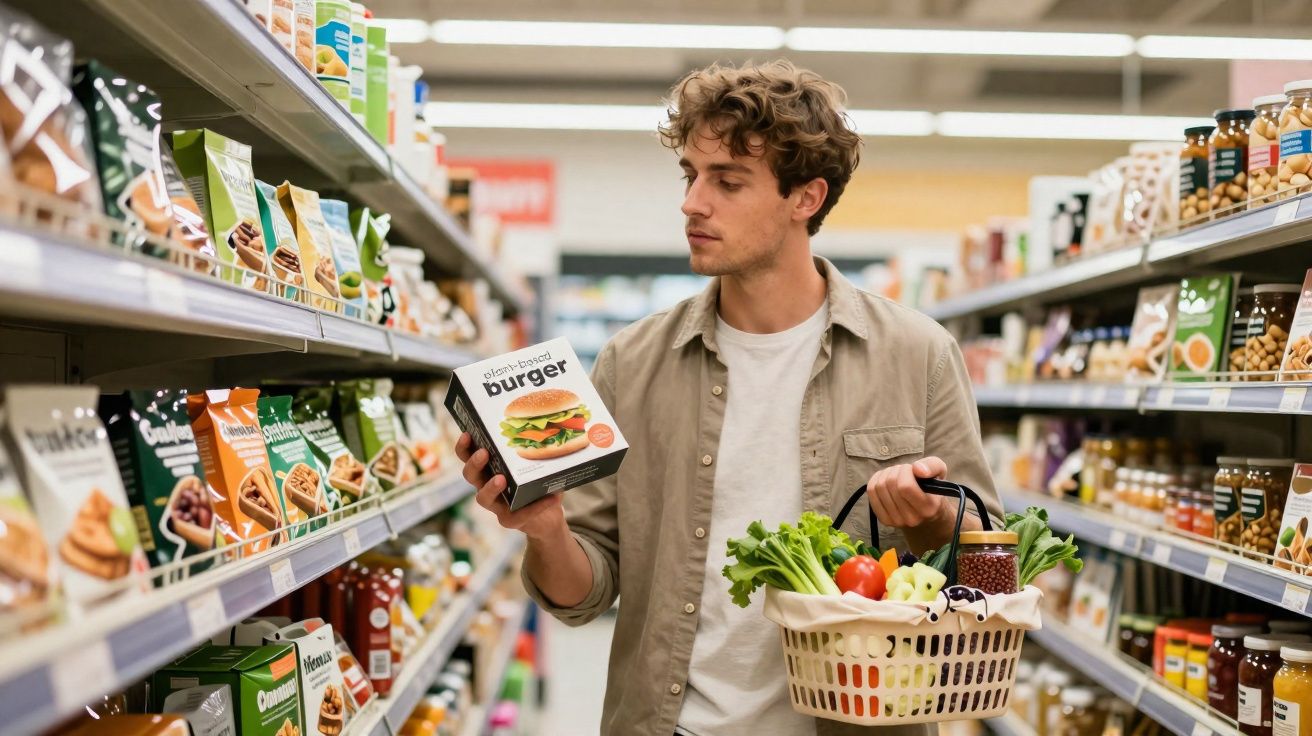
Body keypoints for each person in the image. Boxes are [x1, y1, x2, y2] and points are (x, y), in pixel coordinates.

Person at [456, 60, 1002, 736]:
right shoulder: (633, 361)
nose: (692, 202)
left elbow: (993, 575)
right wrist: (545, 530)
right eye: (690, 175)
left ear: (806, 198)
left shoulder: (917, 354)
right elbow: (583, 595)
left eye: (728, 181)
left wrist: (929, 518)